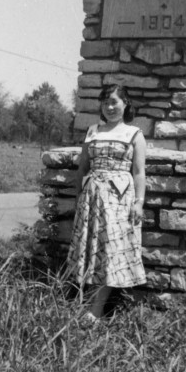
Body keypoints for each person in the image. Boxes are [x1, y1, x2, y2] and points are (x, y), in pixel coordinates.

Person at [66, 83, 146, 322]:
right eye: (106, 102)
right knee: (89, 249)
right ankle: (81, 303)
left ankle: (96, 310)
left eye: (115, 102)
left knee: (110, 251)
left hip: (119, 199)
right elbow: (82, 167)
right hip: (92, 197)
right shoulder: (93, 131)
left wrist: (139, 202)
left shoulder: (133, 134)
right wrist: (80, 196)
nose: (110, 107)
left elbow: (139, 172)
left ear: (125, 104)